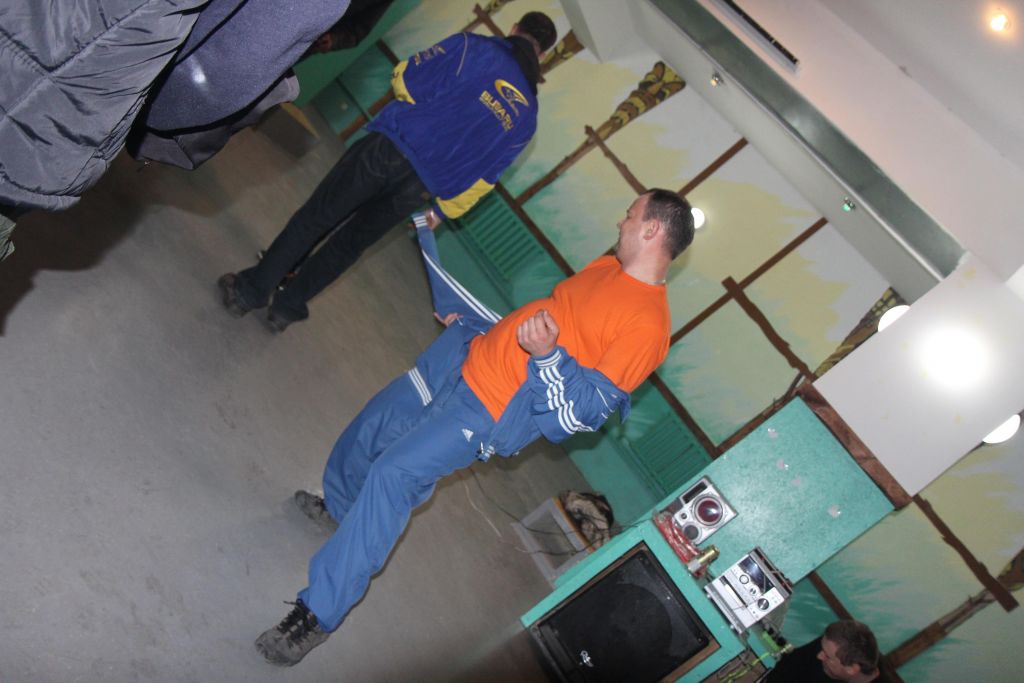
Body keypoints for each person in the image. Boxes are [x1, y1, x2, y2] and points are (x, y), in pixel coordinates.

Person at [253, 189, 696, 665]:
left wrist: (547, 355)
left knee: (394, 476)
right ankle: (341, 509)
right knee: (374, 425)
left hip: (487, 411)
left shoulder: (648, 328)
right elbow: (552, 319)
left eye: (630, 216)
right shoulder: (607, 267)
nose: (621, 222)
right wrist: (480, 325)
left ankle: (317, 614)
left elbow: (580, 414)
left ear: (651, 230)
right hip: (464, 357)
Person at [217, 12, 558, 332]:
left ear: (514, 29)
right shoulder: (527, 120)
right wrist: (441, 212)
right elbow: (485, 179)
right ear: (541, 56)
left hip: (389, 149)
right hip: (421, 186)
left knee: (318, 216)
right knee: (349, 245)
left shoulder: (473, 47)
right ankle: (286, 310)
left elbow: (408, 77)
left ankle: (250, 292)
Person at [767, 620, 892, 682]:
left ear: (851, 669)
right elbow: (786, 667)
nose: (819, 655)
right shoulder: (830, 646)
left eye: (827, 656)